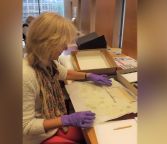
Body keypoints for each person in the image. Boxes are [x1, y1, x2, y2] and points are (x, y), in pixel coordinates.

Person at [23, 12, 112, 144]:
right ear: (46, 43)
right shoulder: (26, 76)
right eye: (62, 43)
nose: (65, 47)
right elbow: (26, 127)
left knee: (90, 132)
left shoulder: (46, 61)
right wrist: (66, 120)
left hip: (52, 123)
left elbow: (64, 73)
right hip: (37, 137)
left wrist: (89, 76)